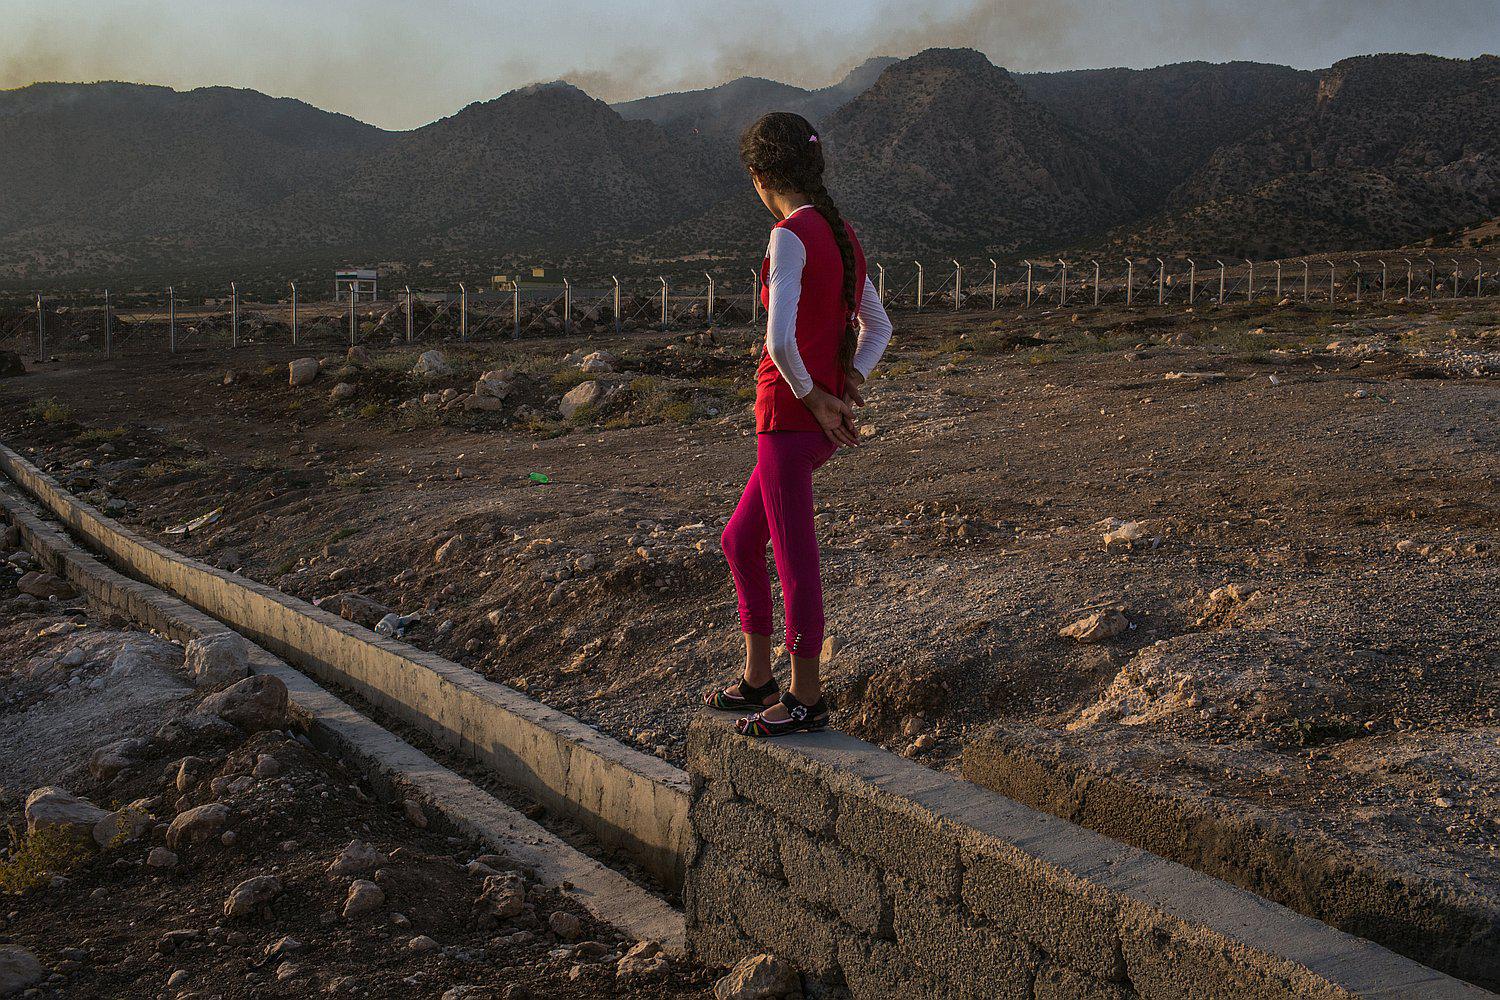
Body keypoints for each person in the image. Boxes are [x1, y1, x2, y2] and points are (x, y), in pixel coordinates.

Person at [702, 111, 893, 738]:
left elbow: (779, 342)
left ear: (759, 176)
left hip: (788, 418)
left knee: (794, 560)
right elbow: (879, 326)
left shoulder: (789, 235)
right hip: (807, 417)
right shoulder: (840, 233)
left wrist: (815, 398)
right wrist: (847, 382)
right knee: (740, 541)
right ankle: (759, 677)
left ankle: (806, 697)